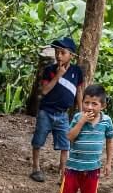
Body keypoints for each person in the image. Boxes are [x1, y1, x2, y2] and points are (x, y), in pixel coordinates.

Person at [54, 83, 113, 193]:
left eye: (95, 104)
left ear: (103, 106)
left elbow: (109, 141)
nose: (90, 107)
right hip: (73, 166)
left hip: (93, 167)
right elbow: (69, 137)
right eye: (86, 102)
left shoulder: (106, 121)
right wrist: (81, 122)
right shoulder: (77, 117)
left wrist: (108, 163)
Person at [31, 36, 83, 182]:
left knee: (65, 145)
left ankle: (63, 174)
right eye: (56, 52)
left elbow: (79, 91)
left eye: (62, 53)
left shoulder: (77, 72)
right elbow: (44, 91)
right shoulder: (49, 70)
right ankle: (35, 168)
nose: (58, 56)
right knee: (38, 140)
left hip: (63, 115)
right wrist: (58, 75)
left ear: (71, 55)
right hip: (46, 112)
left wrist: (80, 111)